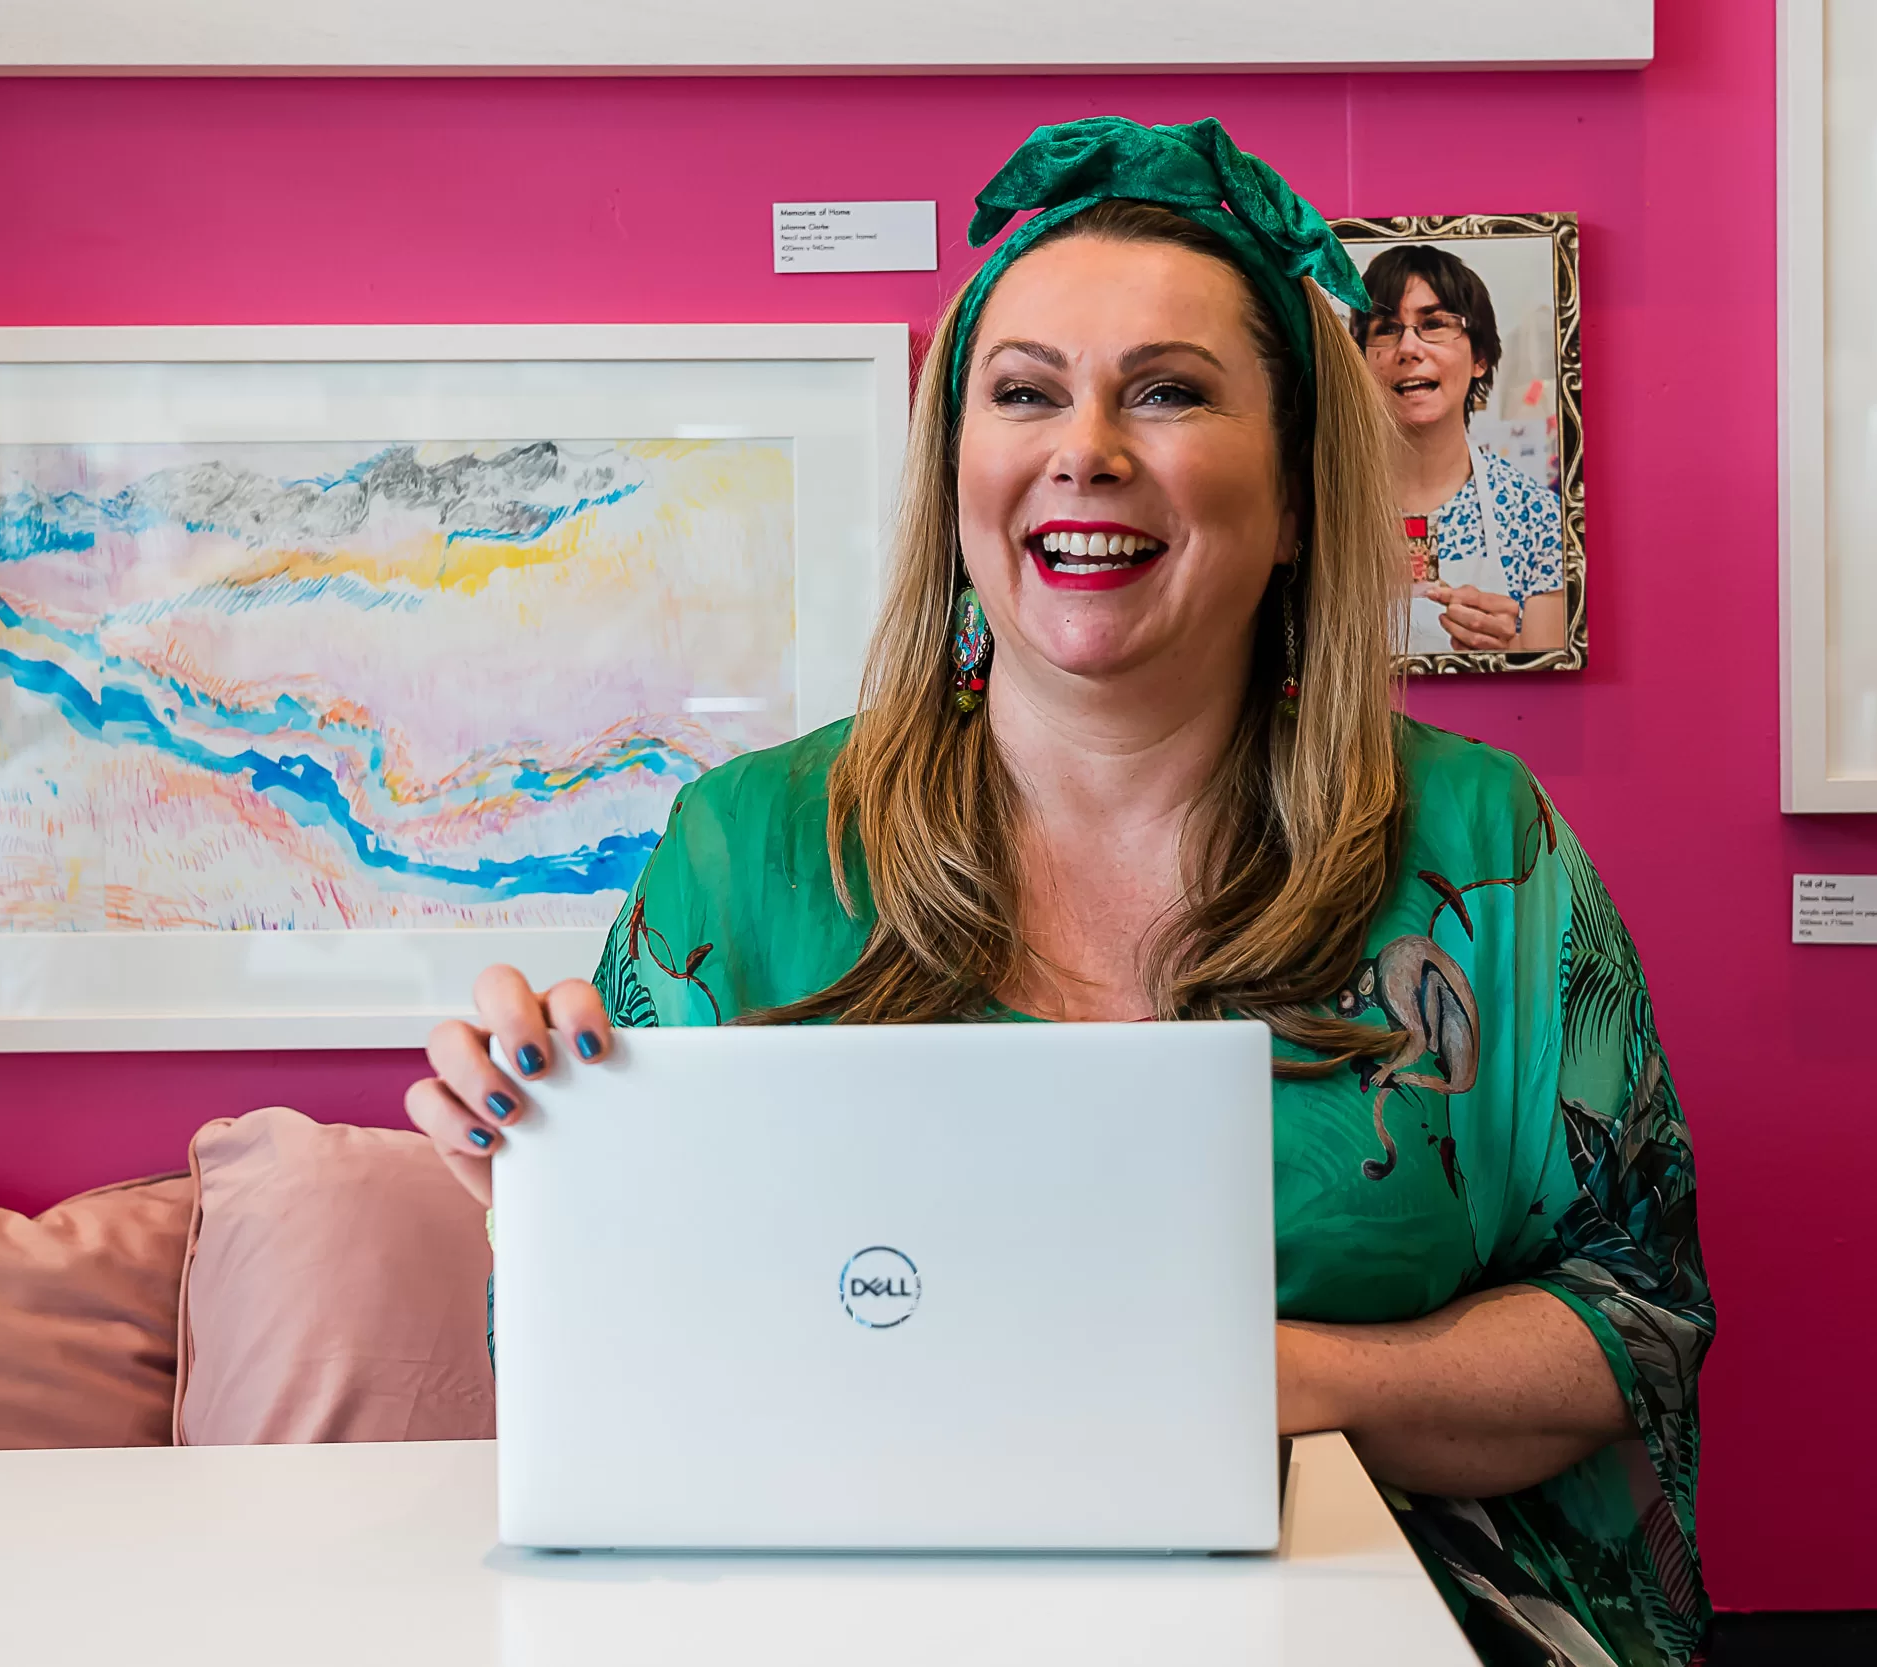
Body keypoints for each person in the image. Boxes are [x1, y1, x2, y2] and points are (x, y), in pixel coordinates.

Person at [409, 117, 1709, 1667]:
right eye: (1024, 391)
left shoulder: (1480, 844)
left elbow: (1636, 1325)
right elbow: (611, 1384)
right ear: (957, 474)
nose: (1083, 446)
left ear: (1296, 495)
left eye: (1166, 390)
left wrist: (1279, 1373)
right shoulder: (745, 850)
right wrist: (553, 1184)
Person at [1352, 243, 1570, 656]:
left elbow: (1554, 691)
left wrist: (1516, 650)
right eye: (1385, 328)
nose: (1409, 348)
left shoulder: (1537, 519)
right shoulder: (1320, 511)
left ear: (1480, 358)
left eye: (1433, 323)